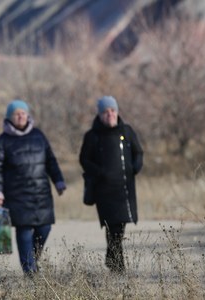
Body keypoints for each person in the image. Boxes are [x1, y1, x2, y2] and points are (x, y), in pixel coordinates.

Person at [0, 99, 67, 275]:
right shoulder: (3, 141)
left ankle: (32, 260)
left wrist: (59, 181)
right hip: (16, 194)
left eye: (23, 113)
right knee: (24, 230)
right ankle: (30, 271)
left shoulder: (39, 136)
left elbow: (51, 161)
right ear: (9, 118)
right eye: (16, 114)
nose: (20, 116)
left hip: (41, 192)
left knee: (44, 228)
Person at [79, 95, 143, 274]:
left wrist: (134, 168)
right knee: (112, 226)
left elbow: (138, 152)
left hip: (124, 188)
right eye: (106, 112)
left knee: (120, 226)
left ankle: (112, 259)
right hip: (104, 189)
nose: (110, 115)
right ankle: (118, 265)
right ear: (99, 115)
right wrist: (100, 172)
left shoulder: (127, 131)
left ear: (117, 112)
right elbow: (84, 159)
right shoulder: (92, 136)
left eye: (112, 111)